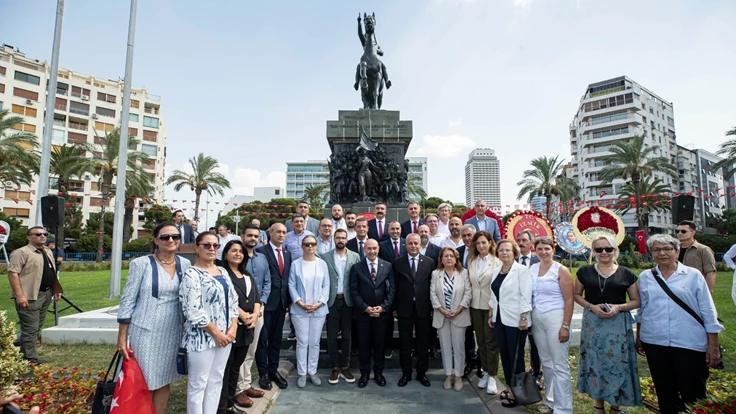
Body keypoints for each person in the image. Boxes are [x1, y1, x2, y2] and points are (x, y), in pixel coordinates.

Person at [636, 234, 723, 413]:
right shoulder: (646, 277)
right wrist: (639, 336)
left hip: (688, 341)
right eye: (656, 249)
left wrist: (713, 344)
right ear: (651, 254)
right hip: (655, 341)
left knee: (693, 392)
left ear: (677, 252)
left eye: (667, 249)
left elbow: (708, 310)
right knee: (665, 392)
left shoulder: (693, 275)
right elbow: (642, 310)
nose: (662, 253)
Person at [117, 222, 190, 414]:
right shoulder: (141, 264)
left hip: (173, 331)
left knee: (163, 379)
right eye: (165, 237)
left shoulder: (185, 264)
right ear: (156, 240)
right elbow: (127, 300)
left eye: (175, 236)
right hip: (146, 331)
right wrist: (122, 337)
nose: (171, 240)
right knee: (145, 380)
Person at [574, 235, 641, 413]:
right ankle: (598, 406)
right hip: (593, 324)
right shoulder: (584, 271)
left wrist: (619, 307)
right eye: (599, 249)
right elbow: (576, 295)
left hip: (617, 325)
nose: (604, 252)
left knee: (617, 364)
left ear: (615, 250)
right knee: (596, 363)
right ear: (593, 252)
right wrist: (591, 307)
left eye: (608, 249)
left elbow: (636, 301)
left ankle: (615, 407)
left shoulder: (626, 273)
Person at [180, 232, 239, 414]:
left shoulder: (223, 272)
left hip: (226, 337)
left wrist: (233, 326)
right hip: (202, 338)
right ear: (197, 248)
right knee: (198, 384)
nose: (212, 249)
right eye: (207, 245)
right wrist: (216, 333)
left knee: (216, 381)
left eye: (215, 245)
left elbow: (233, 301)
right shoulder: (192, 274)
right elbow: (193, 310)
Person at [530, 237, 574, 414]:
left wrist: (565, 325)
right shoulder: (532, 269)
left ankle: (563, 408)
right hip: (537, 318)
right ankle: (550, 400)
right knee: (546, 362)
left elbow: (569, 299)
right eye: (539, 249)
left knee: (559, 364)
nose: (543, 252)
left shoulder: (561, 270)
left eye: (546, 248)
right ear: (535, 250)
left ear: (553, 249)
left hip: (556, 316)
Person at [8, 226, 63, 363]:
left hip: (46, 293)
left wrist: (56, 289)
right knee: (30, 328)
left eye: (44, 234)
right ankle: (30, 360)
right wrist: (20, 295)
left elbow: (52, 271)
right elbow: (13, 274)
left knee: (36, 327)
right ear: (29, 237)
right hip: (30, 295)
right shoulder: (21, 252)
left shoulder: (47, 251)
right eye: (38, 234)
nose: (42, 236)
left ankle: (23, 355)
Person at [488, 239, 533, 408]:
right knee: (505, 355)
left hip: (516, 320)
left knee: (516, 357)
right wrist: (491, 314)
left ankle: (518, 391)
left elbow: (525, 295)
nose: (504, 253)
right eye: (501, 250)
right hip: (499, 319)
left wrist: (523, 318)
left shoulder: (521, 271)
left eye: (507, 250)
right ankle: (509, 386)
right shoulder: (496, 271)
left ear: (514, 253)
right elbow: (493, 295)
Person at [219, 240, 260, 414]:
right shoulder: (222, 274)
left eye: (240, 251)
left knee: (236, 367)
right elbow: (225, 298)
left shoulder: (247, 275)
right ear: (226, 254)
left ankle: (230, 403)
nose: (237, 254)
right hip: (230, 327)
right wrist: (242, 314)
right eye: (233, 250)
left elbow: (256, 298)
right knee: (226, 369)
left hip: (247, 329)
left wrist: (256, 315)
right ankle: (222, 407)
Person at [349, 239, 395, 388]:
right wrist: (365, 307)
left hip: (382, 315)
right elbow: (354, 291)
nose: (372, 251)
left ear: (378, 249)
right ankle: (364, 373)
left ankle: (379, 373)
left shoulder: (387, 266)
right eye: (369, 248)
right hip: (363, 314)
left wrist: (383, 307)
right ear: (364, 250)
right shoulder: (356, 267)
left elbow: (392, 289)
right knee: (364, 345)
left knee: (380, 345)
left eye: (374, 248)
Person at [234, 224, 270, 408]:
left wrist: (259, 306)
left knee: (251, 351)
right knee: (239, 352)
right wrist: (242, 313)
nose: (253, 238)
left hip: (258, 311)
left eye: (256, 236)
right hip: (238, 314)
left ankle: (245, 384)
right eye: (249, 235)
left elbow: (266, 282)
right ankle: (237, 390)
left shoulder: (262, 258)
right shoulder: (235, 257)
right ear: (242, 236)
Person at [288, 235, 330, 388]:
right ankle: (302, 373)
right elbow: (291, 285)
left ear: (316, 246)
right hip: (300, 310)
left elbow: (326, 285)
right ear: (302, 246)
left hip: (319, 310)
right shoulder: (295, 264)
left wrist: (319, 303)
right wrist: (300, 303)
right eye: (307, 244)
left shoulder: (322, 264)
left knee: (314, 342)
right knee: (302, 342)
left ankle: (312, 371)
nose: (310, 247)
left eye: (312, 244)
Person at [320, 229, 361, 384]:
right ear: (334, 239)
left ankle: (345, 366)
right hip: (332, 301)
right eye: (338, 237)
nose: (341, 240)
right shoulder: (325, 257)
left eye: (343, 237)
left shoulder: (355, 256)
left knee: (346, 336)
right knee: (331, 336)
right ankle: (334, 367)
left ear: (347, 239)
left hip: (348, 301)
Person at [255, 223, 292, 391]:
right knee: (263, 340)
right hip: (266, 303)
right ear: (270, 233)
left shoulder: (287, 253)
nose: (281, 235)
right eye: (278, 232)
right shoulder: (261, 252)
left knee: (276, 340)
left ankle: (273, 370)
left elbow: (286, 279)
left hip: (282, 303)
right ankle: (263, 373)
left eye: (284, 232)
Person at [393, 234, 434, 387]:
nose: (413, 246)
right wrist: (395, 307)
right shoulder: (398, 263)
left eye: (416, 243)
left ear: (420, 244)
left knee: (423, 342)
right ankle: (406, 373)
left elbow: (432, 286)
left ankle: (422, 373)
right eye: (410, 243)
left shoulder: (429, 262)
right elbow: (394, 287)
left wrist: (431, 307)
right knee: (405, 343)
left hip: (423, 310)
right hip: (404, 309)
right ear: (405, 245)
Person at [431, 247, 471, 391]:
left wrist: (459, 309)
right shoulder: (436, 274)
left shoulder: (463, 273)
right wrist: (442, 310)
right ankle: (448, 375)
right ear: (441, 259)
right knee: (445, 346)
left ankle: (459, 376)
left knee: (459, 346)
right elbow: (433, 294)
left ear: (456, 259)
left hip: (459, 315)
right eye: (445, 256)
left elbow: (468, 293)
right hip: (442, 316)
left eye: (451, 256)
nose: (448, 258)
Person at [467, 230, 501, 395]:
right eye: (478, 243)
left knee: (491, 342)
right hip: (475, 306)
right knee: (480, 340)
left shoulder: (497, 262)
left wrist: (492, 310)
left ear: (490, 243)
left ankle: (493, 376)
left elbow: (498, 288)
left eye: (483, 242)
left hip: (490, 306)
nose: (481, 246)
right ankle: (486, 371)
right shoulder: (472, 261)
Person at [515, 230, 542, 387]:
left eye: (524, 240)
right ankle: (519, 375)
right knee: (519, 344)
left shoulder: (539, 260)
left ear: (531, 243)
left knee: (535, 345)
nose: (521, 242)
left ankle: (537, 373)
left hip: (536, 309)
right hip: (517, 309)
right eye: (519, 239)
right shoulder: (512, 260)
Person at [676, 220, 717, 292]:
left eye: (683, 231)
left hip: (695, 289)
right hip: (676, 288)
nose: (679, 233)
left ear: (693, 232)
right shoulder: (674, 249)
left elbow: (710, 272)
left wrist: (707, 292)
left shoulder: (703, 249)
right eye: (677, 231)